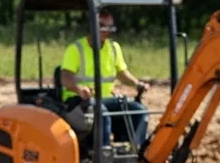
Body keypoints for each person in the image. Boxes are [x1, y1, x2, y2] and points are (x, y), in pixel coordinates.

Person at [59, 10, 151, 148]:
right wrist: (79, 90)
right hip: (79, 102)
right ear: (92, 25)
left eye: (109, 26)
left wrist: (137, 84)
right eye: (102, 25)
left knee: (139, 110)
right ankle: (104, 155)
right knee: (102, 113)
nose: (106, 30)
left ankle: (136, 152)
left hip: (106, 99)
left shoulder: (114, 48)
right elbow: (65, 78)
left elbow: (121, 73)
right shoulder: (76, 49)